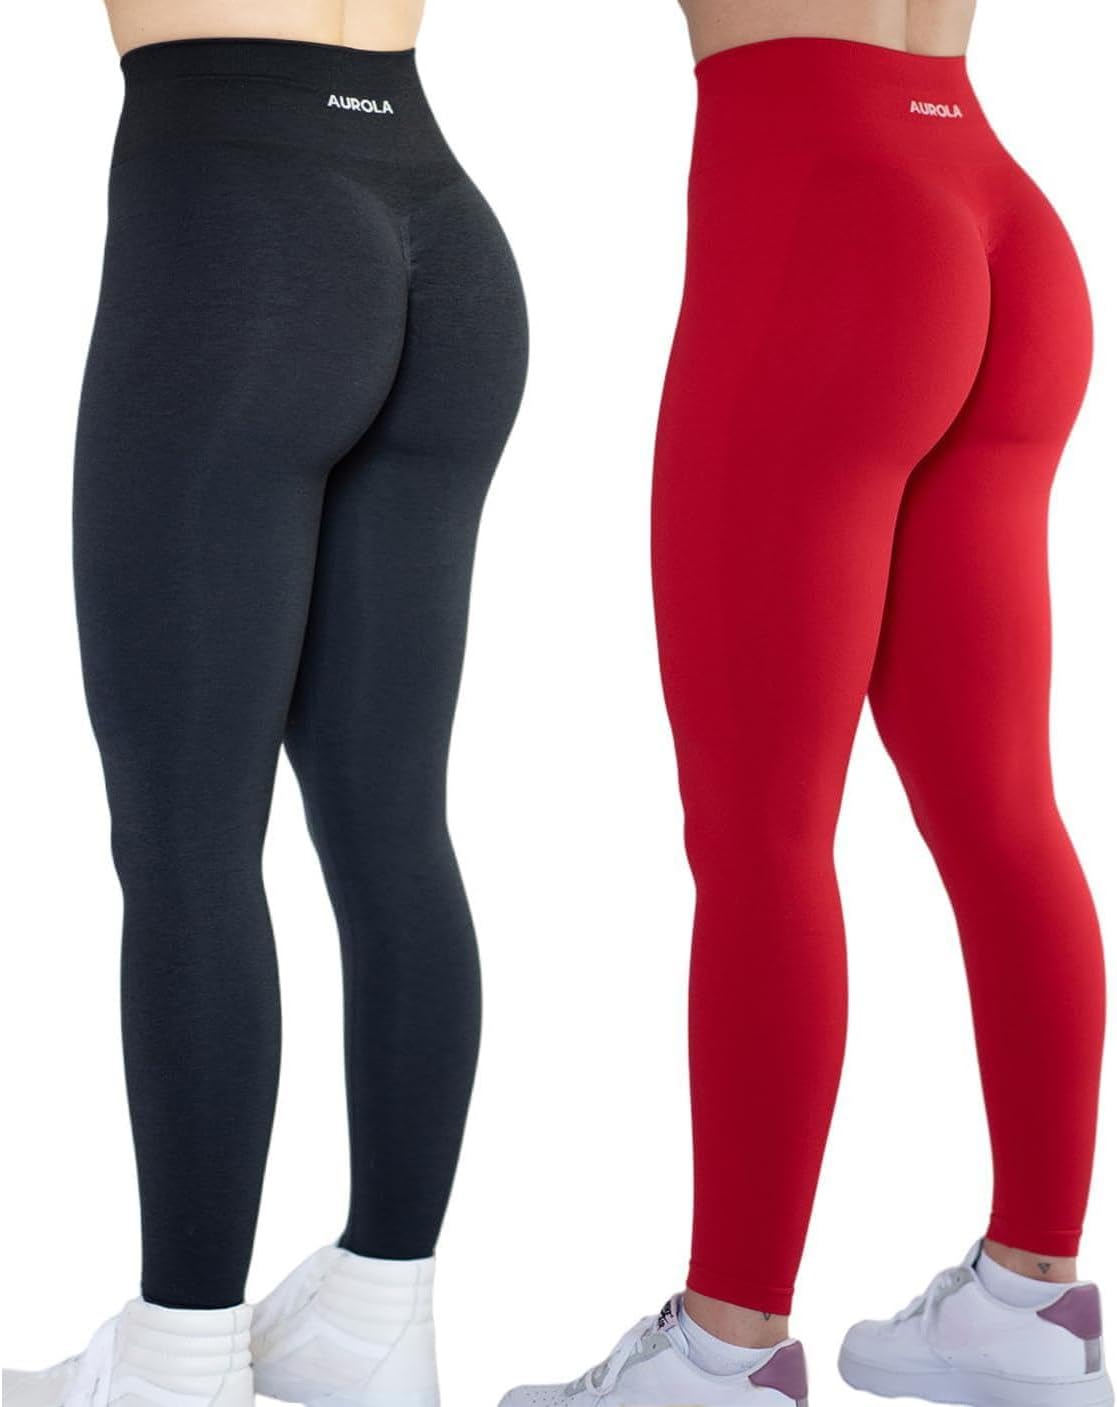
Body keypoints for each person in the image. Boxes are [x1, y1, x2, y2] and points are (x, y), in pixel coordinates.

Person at [501, 2, 1109, 1405]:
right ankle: (1032, 1304)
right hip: (1001, 210)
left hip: (829, 220)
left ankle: (724, 1351)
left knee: (761, 830)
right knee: (1007, 811)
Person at [2, 2, 526, 1406]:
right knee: (392, 825)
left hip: (240, 229)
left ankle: (178, 1355)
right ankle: (378, 1319)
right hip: (443, 227)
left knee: (186, 836)